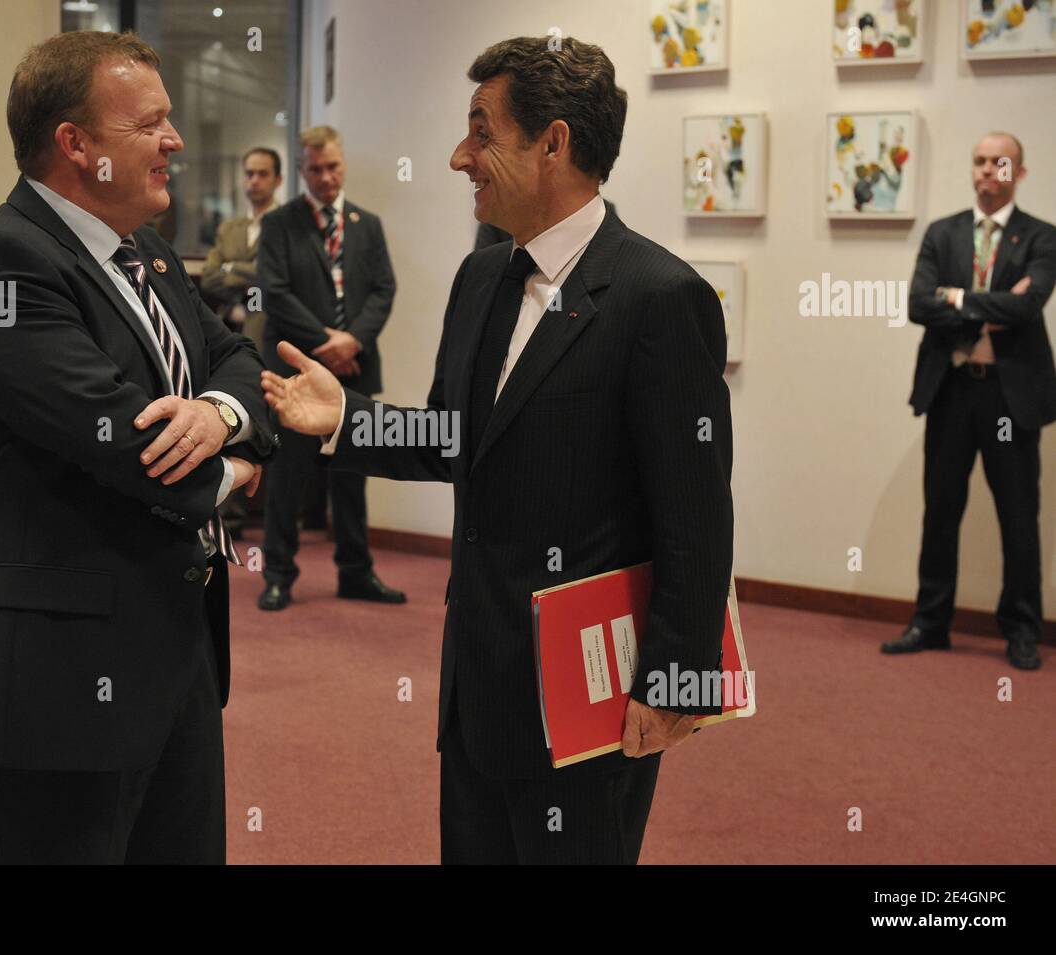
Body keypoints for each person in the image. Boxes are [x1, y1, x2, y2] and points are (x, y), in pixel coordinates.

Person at [261, 37, 733, 864]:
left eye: (481, 132)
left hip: (590, 695)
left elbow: (694, 514)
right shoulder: (480, 277)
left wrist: (679, 679)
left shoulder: (661, 297)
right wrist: (347, 420)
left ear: (552, 143)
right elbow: (454, 438)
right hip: (478, 682)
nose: (458, 157)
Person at [0, 30, 274, 864]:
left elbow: (235, 357)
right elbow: (124, 439)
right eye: (150, 123)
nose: (176, 141)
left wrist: (224, 414)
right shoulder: (0, 262)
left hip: (175, 652)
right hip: (60, 678)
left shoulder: (146, 250)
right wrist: (239, 465)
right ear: (75, 145)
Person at [883, 132, 1055, 670]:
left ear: (1019, 173)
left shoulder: (1042, 238)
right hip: (952, 390)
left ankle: (1022, 629)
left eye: (998, 162)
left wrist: (955, 299)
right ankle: (930, 622)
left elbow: (1028, 310)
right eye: (978, 161)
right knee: (941, 509)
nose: (986, 170)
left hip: (1010, 397)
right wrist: (992, 305)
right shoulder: (943, 233)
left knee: (1018, 515)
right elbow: (917, 303)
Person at [255, 125, 405, 611]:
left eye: (333, 166)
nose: (326, 176)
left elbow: (384, 289)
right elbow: (274, 294)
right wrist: (325, 342)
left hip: (357, 367)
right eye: (315, 168)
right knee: (288, 479)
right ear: (301, 170)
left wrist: (354, 339)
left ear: (344, 164)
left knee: (353, 476)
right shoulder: (280, 223)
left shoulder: (368, 224)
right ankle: (277, 574)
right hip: (299, 372)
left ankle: (356, 572)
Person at [201, 146, 283, 350]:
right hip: (230, 329)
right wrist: (248, 276)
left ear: (278, 180)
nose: (254, 180)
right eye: (249, 173)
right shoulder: (228, 228)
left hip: (274, 333)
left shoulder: (290, 226)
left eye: (263, 174)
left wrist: (229, 267)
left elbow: (274, 276)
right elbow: (209, 278)